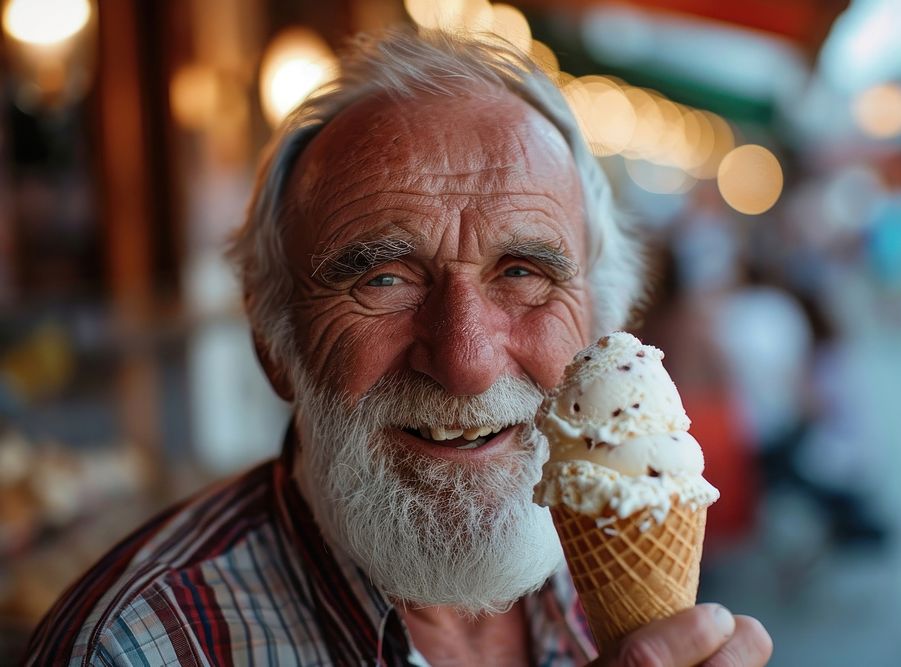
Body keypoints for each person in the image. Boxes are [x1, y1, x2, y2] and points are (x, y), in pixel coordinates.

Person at [24, 30, 771, 666]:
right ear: (273, 341)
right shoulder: (136, 646)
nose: (466, 360)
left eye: (523, 273)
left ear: (602, 321)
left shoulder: (601, 558)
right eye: (383, 279)